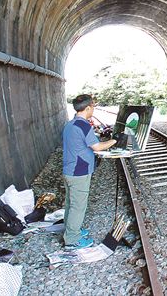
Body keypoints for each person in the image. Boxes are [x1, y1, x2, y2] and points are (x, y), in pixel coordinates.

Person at [62, 94, 117, 249]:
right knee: (78, 206)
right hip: (79, 172)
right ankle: (72, 240)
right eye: (93, 106)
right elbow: (97, 147)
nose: (93, 109)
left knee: (70, 203)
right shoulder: (84, 126)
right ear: (87, 108)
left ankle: (71, 230)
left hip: (69, 170)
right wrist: (114, 141)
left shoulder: (70, 124)